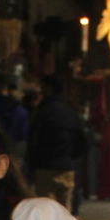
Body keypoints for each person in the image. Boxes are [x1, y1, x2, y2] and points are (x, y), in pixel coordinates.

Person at [30, 76, 89, 209]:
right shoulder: (70, 112)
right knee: (64, 211)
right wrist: (71, 159)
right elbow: (82, 141)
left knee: (46, 211)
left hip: (45, 167)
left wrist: (32, 165)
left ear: (49, 89)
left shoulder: (41, 111)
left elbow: (33, 140)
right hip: (66, 167)